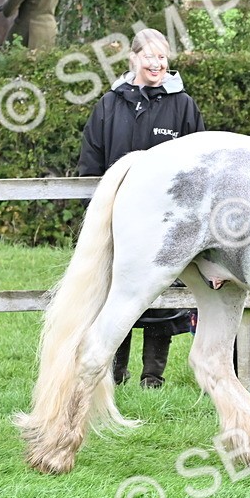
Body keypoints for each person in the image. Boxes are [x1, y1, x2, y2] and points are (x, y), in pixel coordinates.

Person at [78, 28, 206, 387]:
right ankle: (115, 372)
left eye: (162, 57)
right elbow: (92, 161)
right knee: (117, 292)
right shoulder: (109, 104)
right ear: (132, 58)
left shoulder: (183, 106)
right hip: (120, 220)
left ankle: (153, 377)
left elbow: (200, 166)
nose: (157, 63)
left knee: (160, 292)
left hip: (168, 222)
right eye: (149, 56)